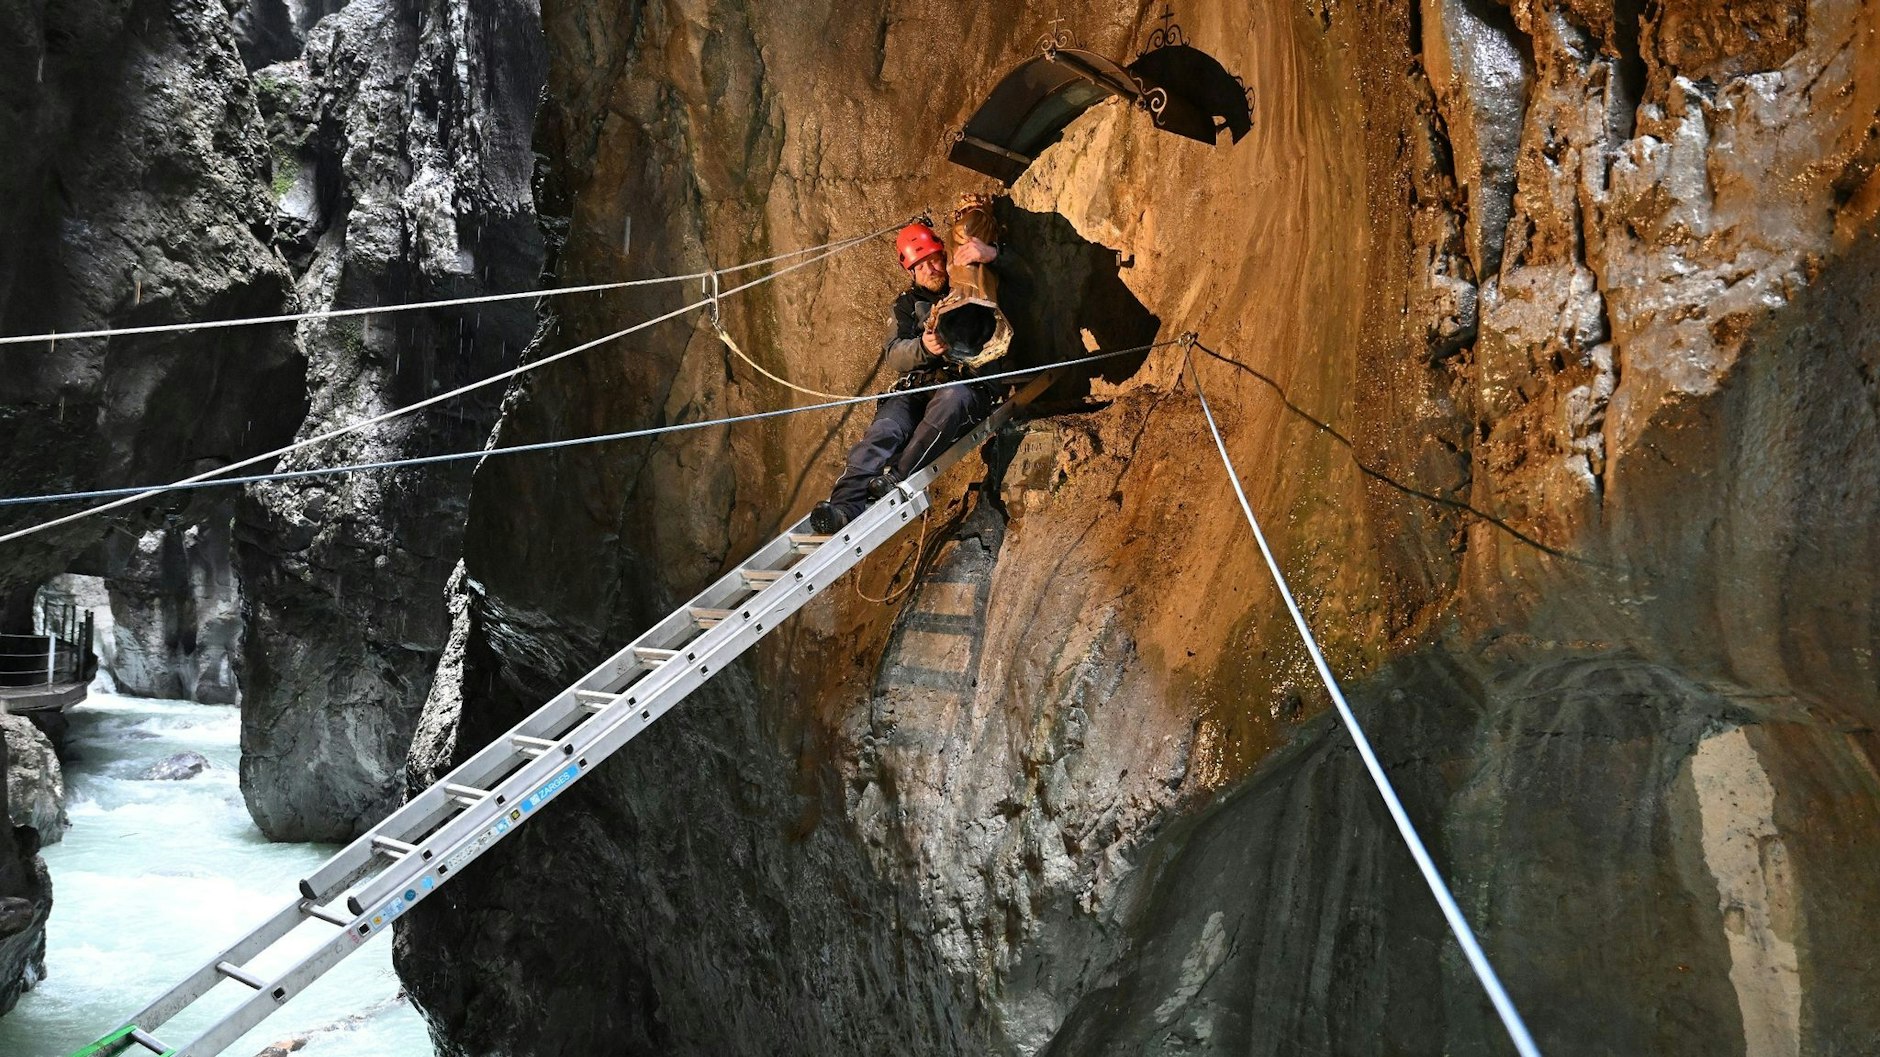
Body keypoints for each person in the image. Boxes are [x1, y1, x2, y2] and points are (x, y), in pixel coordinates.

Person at [808, 219, 1003, 534]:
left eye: (933, 260)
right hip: (917, 389)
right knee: (884, 429)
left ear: (944, 255)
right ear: (911, 272)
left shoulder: (974, 279)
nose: (929, 269)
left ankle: (896, 478)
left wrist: (993, 253)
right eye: (920, 265)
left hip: (962, 387)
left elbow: (1022, 276)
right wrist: (924, 348)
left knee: (952, 400)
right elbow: (894, 353)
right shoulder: (905, 305)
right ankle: (843, 507)